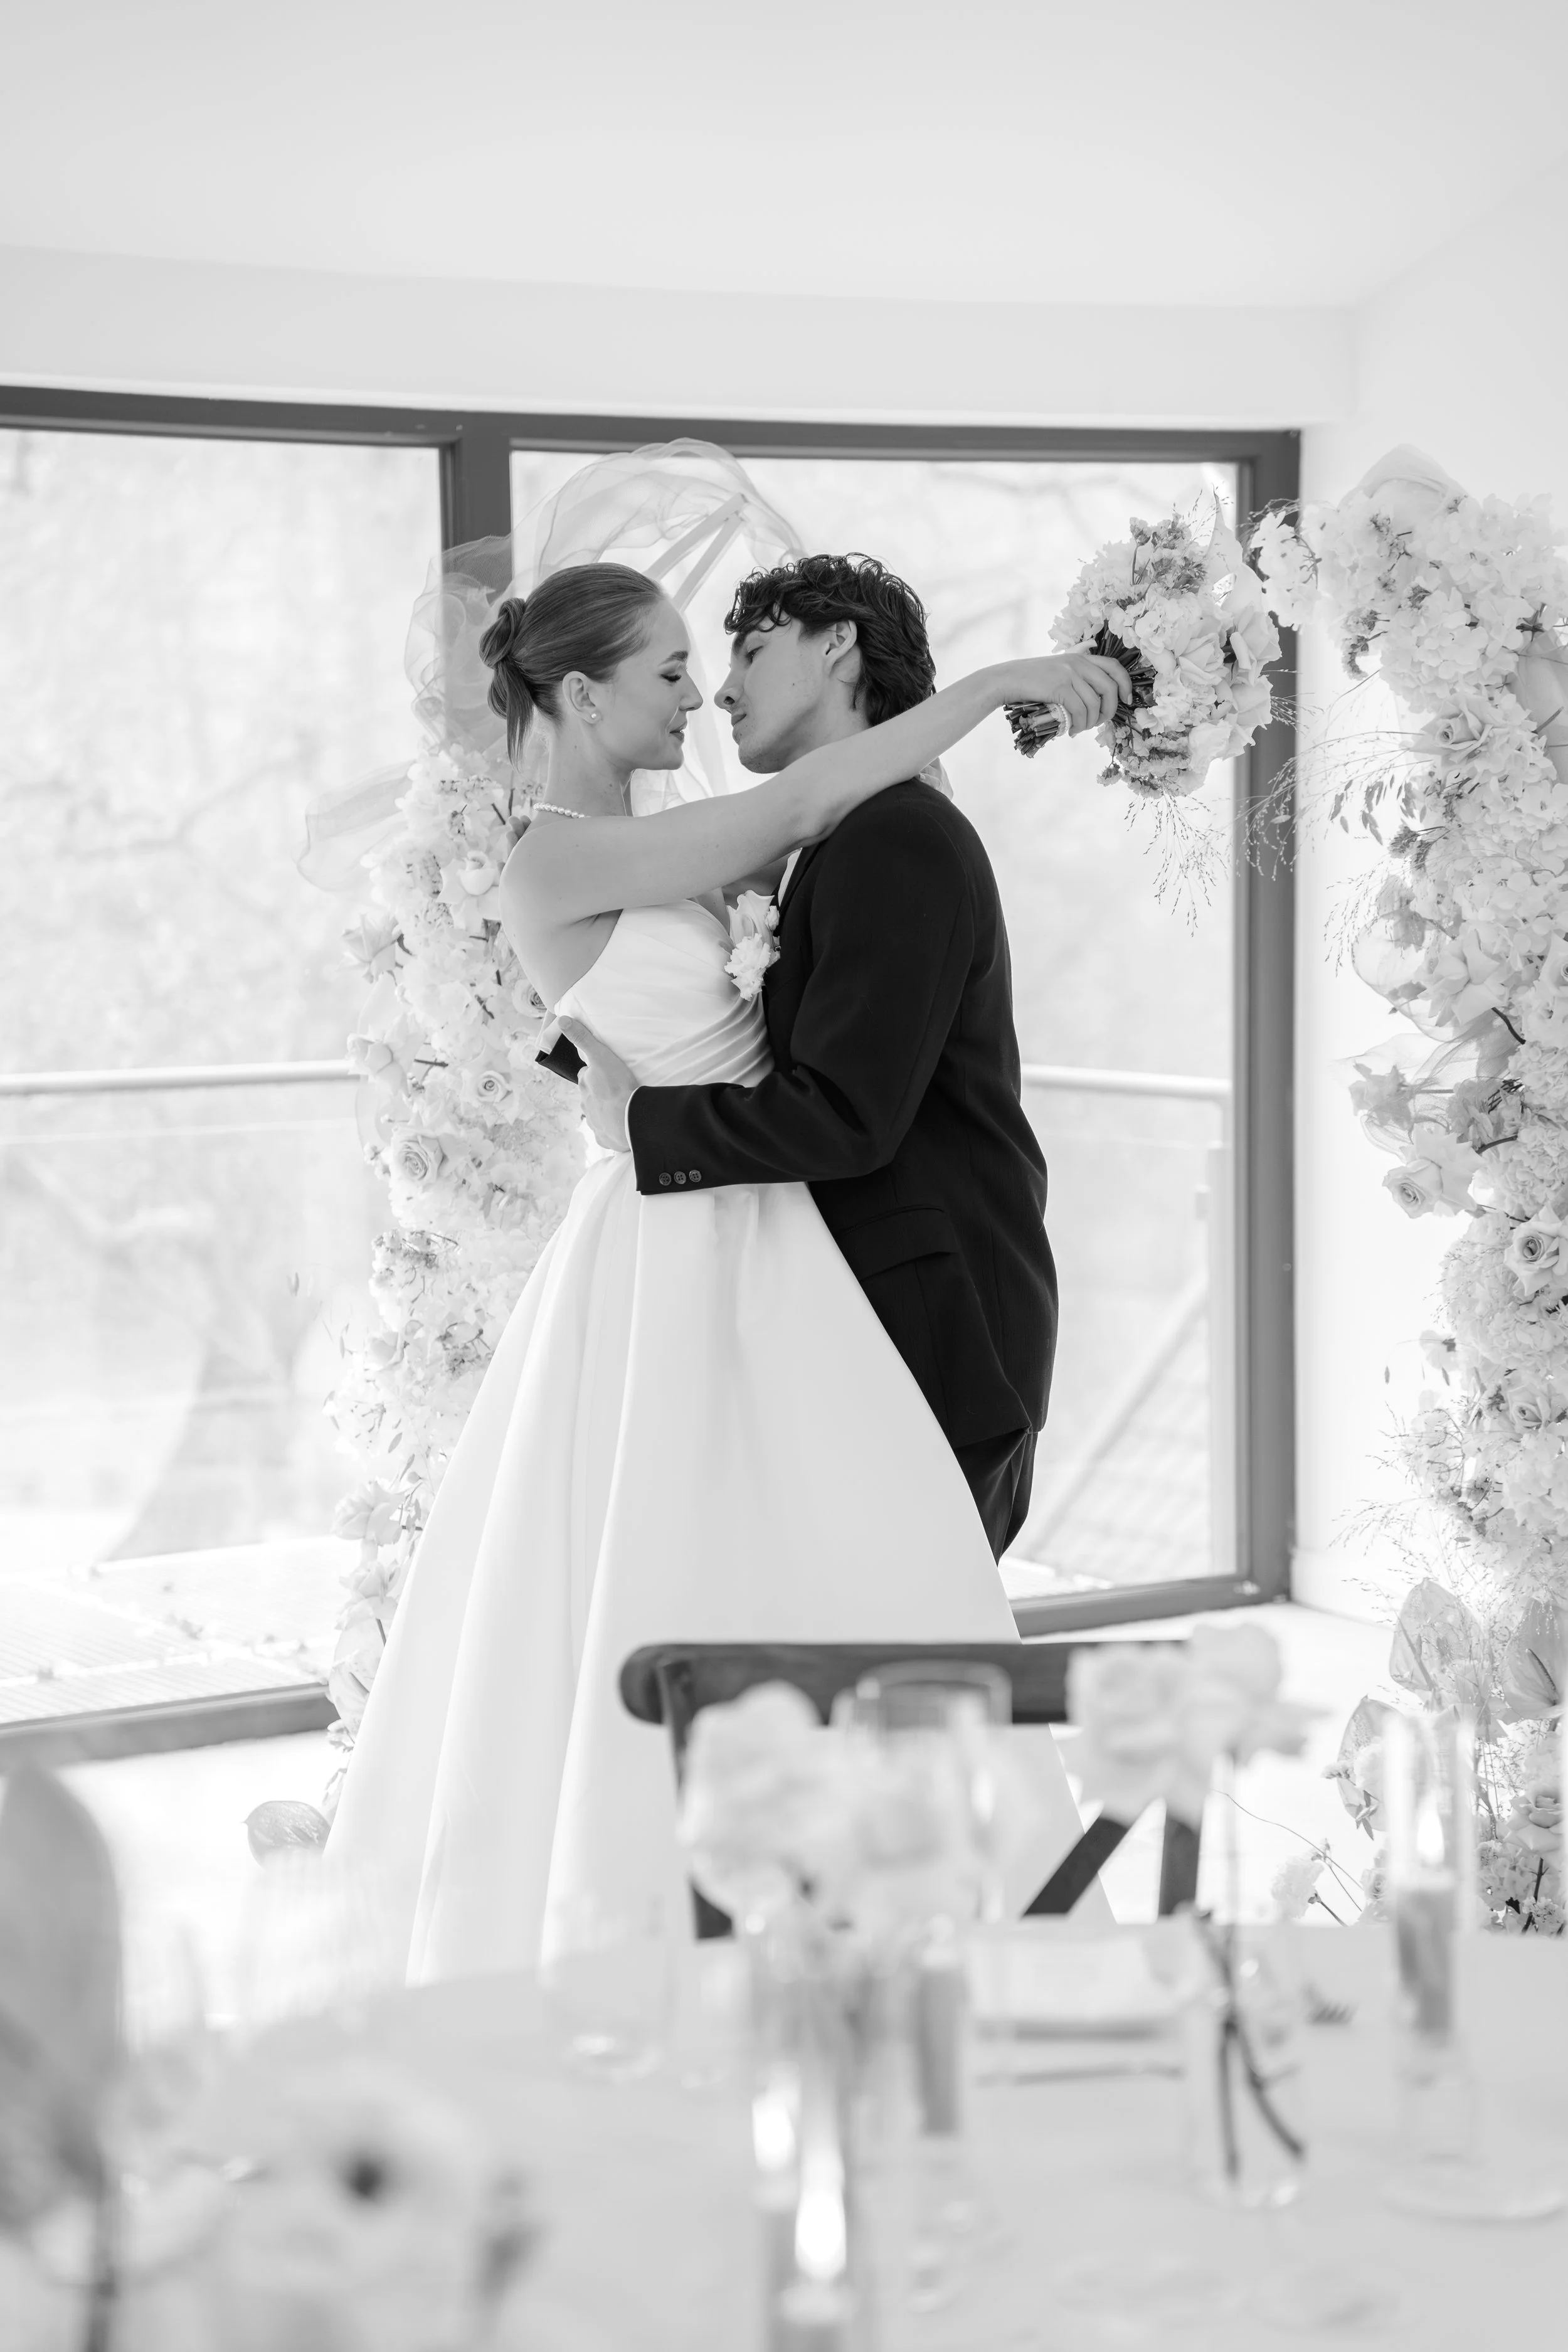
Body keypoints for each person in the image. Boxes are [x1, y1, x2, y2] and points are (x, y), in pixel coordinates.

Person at [327, 553, 1128, 1980]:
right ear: (579, 692)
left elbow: (827, 822)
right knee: (682, 1568)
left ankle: (855, 1918)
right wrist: (999, 683)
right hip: (678, 1240)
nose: (699, 694)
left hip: (776, 1231)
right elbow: (812, 804)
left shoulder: (712, 834)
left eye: (718, 661)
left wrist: (647, 1115)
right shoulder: (556, 855)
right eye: (669, 672)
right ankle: (685, 1923)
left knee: (835, 1577)